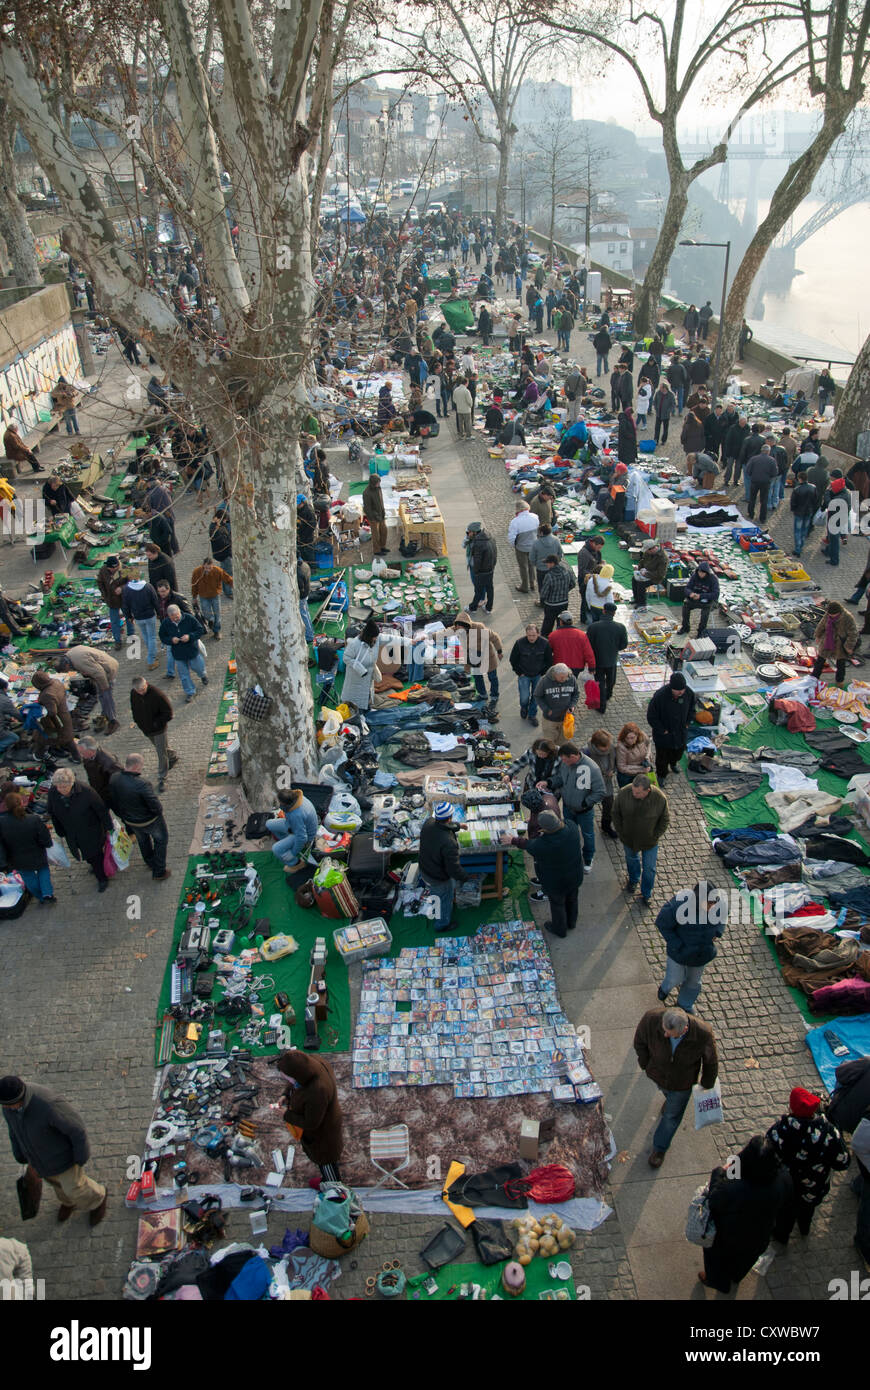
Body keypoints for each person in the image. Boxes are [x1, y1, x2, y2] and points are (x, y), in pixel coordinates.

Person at [0, 1075, 107, 1225]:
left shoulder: (48, 1104)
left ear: (18, 1099)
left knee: (75, 1187)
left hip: (65, 1158)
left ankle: (97, 1199)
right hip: (40, 1160)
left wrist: (81, 1156)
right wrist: (19, 1154)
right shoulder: (9, 1107)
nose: (4, 1108)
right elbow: (14, 1131)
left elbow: (77, 1130)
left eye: (8, 1105)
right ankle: (69, 1202)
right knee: (58, 1186)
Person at [700, 1137, 792, 1293]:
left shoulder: (733, 1188)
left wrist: (719, 1173)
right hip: (759, 1236)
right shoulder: (783, 1179)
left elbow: (714, 1200)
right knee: (745, 1261)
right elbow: (786, 1206)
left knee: (717, 1260)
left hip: (729, 1236)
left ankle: (718, 1282)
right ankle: (736, 1277)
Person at [633, 1005, 719, 1167]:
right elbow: (639, 1042)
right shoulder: (651, 1019)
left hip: (682, 1083)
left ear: (684, 1029)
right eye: (664, 1031)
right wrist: (646, 1064)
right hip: (658, 1074)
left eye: (670, 1034)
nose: (665, 1035)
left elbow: (711, 1061)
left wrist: (707, 1085)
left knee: (672, 1116)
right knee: (668, 1097)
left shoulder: (702, 1033)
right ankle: (669, 1100)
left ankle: (659, 1148)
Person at [766, 1087, 850, 1245]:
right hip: (813, 1188)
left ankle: (782, 1236)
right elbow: (843, 1162)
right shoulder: (829, 1133)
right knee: (807, 1210)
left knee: (785, 1214)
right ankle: (804, 1228)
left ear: (791, 1107)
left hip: (786, 1187)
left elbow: (768, 1157)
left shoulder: (781, 1130)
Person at [502, 810, 583, 938]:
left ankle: (559, 929)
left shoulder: (544, 844)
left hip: (556, 882)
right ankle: (571, 922)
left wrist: (513, 840)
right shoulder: (572, 828)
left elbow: (528, 844)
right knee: (572, 899)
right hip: (574, 875)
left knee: (557, 905)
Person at [655, 880, 725, 1012]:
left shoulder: (716, 904)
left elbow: (723, 916)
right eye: (709, 904)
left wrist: (718, 931)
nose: (712, 907)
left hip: (701, 953)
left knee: (693, 982)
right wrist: (677, 944)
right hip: (680, 953)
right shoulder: (679, 905)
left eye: (713, 903)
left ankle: (684, 1004)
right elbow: (662, 923)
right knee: (674, 978)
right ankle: (666, 988)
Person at [277, 1052, 343, 1184]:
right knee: (325, 1158)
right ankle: (328, 1180)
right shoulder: (313, 1063)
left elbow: (311, 1123)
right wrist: (286, 1094)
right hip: (326, 1121)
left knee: (326, 1161)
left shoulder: (318, 1091)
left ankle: (332, 1186)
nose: (289, 1081)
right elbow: (296, 1080)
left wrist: (286, 1115)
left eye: (289, 1078)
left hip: (324, 1136)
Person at [46, 768, 112, 892]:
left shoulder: (87, 791)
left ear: (72, 783)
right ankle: (95, 865)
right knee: (86, 853)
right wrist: (59, 829)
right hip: (71, 832)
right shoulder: (53, 792)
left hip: (90, 831)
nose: (61, 790)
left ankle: (102, 878)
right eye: (59, 787)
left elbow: (101, 810)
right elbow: (52, 811)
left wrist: (110, 828)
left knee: (95, 854)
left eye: (64, 787)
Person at [109, 753, 170, 881]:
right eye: (141, 766)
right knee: (161, 840)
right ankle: (159, 871)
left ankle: (149, 861)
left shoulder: (114, 778)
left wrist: (124, 816)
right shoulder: (141, 784)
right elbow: (155, 805)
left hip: (131, 821)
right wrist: (156, 813)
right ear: (136, 767)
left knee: (143, 840)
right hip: (149, 820)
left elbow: (113, 801)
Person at [612, 774, 670, 907]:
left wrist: (655, 835)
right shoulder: (624, 793)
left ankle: (646, 893)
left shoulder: (659, 798)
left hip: (650, 842)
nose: (634, 794)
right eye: (633, 790)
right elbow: (615, 813)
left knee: (649, 869)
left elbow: (665, 819)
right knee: (631, 861)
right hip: (629, 838)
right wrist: (621, 832)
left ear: (647, 791)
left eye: (637, 792)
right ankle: (633, 880)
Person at [548, 741, 606, 871]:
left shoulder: (591, 768)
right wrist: (549, 782)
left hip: (584, 811)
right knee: (569, 833)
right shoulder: (565, 763)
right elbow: (561, 778)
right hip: (568, 808)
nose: (563, 762)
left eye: (565, 760)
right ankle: (571, 855)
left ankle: (588, 858)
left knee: (588, 835)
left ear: (573, 756)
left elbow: (600, 791)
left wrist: (585, 803)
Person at [418, 801, 470, 932]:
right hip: (437, 876)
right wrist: (465, 877)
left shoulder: (429, 822)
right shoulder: (448, 842)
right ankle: (442, 924)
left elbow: (444, 825)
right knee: (445, 899)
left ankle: (436, 908)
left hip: (425, 869)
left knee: (437, 894)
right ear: (449, 818)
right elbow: (453, 869)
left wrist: (459, 826)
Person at [0, 791, 55, 904]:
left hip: (17, 857)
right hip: (37, 852)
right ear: (21, 803)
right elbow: (44, 837)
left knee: (28, 876)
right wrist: (47, 844)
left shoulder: (2, 823)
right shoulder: (33, 819)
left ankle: (40, 896)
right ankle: (47, 893)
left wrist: (4, 861)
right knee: (43, 870)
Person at [55, 646, 119, 734]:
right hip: (102, 669)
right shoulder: (69, 656)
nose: (67, 672)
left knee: (107, 697)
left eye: (65, 670)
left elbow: (99, 672)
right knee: (101, 695)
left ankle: (113, 721)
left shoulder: (79, 661)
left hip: (107, 671)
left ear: (66, 665)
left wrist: (105, 686)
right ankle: (105, 715)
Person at [646, 672, 696, 781]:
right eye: (678, 690)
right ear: (672, 688)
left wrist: (688, 722)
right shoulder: (660, 696)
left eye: (682, 690)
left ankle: (673, 763)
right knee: (662, 758)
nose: (681, 692)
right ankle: (661, 775)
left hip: (680, 733)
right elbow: (651, 716)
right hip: (664, 736)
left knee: (678, 752)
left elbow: (692, 709)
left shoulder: (688, 693)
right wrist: (662, 730)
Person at [130, 677, 176, 792]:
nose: (141, 692)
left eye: (143, 689)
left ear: (146, 684)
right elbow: (134, 708)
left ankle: (162, 778)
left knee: (161, 753)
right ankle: (173, 756)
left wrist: (157, 723)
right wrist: (137, 721)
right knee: (161, 748)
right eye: (139, 691)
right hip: (146, 729)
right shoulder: (134, 694)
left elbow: (168, 713)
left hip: (159, 729)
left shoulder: (157, 695)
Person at [585, 602, 628, 717]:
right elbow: (624, 645)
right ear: (614, 613)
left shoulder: (593, 627)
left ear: (603, 611)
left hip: (597, 660)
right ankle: (609, 693)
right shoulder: (620, 627)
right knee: (611, 680)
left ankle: (601, 705)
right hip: (612, 659)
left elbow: (588, 645)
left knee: (599, 683)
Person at [158, 604, 208, 702]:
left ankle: (203, 675)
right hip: (178, 654)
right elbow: (162, 637)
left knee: (198, 667)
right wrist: (171, 640)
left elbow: (200, 630)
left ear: (180, 612)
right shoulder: (165, 623)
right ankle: (190, 692)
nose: (176, 619)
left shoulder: (189, 618)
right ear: (169, 616)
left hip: (192, 651)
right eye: (173, 618)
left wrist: (190, 636)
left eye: (177, 616)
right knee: (184, 675)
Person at [30, 671, 81, 763]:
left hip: (55, 722)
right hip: (64, 716)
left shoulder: (47, 694)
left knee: (42, 738)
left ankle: (39, 755)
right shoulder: (56, 682)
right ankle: (77, 758)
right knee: (68, 738)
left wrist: (41, 713)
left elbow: (52, 712)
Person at [265, 788, 318, 872]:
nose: (278, 803)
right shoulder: (297, 798)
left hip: (305, 836)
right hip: (293, 826)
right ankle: (286, 842)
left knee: (276, 849)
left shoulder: (296, 814)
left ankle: (296, 864)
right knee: (268, 824)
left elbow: (302, 838)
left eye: (280, 801)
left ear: (285, 803)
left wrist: (293, 853)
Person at [509, 622, 552, 725]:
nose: (531, 638)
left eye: (533, 635)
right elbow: (513, 659)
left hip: (538, 675)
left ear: (538, 634)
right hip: (524, 675)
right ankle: (524, 707)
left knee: (536, 696)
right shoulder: (519, 643)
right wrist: (519, 672)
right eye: (529, 635)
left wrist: (543, 672)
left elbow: (549, 660)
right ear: (526, 634)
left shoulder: (545, 643)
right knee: (524, 697)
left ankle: (532, 715)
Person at [584, 728, 618, 842]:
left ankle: (606, 826)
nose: (607, 749)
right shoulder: (586, 752)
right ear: (596, 745)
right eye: (604, 747)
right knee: (587, 805)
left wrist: (613, 770)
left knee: (609, 806)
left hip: (607, 784)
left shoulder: (612, 748)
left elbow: (616, 762)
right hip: (591, 786)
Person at [812, 601, 857, 687]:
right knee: (820, 661)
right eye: (829, 614)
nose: (831, 616)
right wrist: (818, 635)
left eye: (833, 615)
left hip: (840, 644)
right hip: (827, 640)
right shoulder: (828, 614)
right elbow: (821, 624)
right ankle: (814, 678)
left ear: (839, 612)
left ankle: (839, 681)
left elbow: (853, 633)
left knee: (841, 664)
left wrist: (849, 646)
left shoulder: (848, 618)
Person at [122, 573, 161, 669]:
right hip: (149, 615)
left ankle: (152, 654)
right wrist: (159, 613)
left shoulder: (126, 589)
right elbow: (155, 600)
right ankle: (151, 659)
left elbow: (125, 605)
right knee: (152, 637)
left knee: (145, 636)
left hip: (138, 617)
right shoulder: (148, 586)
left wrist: (129, 617)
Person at [533, 664, 579, 747]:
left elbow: (576, 694)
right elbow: (537, 696)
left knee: (563, 743)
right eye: (561, 677)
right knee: (549, 744)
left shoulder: (571, 679)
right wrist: (546, 709)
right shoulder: (544, 681)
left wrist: (572, 705)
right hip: (550, 720)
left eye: (565, 677)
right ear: (554, 675)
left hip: (566, 719)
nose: (564, 679)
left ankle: (560, 758)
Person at [342, 619, 381, 711]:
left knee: (366, 693)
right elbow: (346, 658)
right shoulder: (354, 644)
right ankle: (355, 710)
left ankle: (365, 708)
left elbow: (392, 638)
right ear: (369, 635)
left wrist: (409, 641)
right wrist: (360, 669)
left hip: (368, 676)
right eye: (374, 637)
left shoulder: (376, 639)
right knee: (353, 698)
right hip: (355, 676)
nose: (376, 639)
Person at [191, 556, 232, 640]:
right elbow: (194, 585)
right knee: (206, 613)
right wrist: (194, 597)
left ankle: (216, 631)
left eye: (210, 568)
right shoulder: (197, 572)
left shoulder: (218, 571)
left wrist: (234, 585)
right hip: (203, 596)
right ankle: (211, 620)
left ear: (212, 566)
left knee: (217, 614)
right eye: (206, 568)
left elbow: (227, 578)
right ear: (203, 565)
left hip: (215, 595)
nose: (208, 570)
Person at [678, 560, 720, 637]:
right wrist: (690, 593)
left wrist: (701, 596)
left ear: (707, 573)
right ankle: (685, 627)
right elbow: (687, 588)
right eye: (699, 572)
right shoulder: (695, 576)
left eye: (703, 573)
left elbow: (715, 594)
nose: (700, 574)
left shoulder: (713, 579)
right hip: (695, 598)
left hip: (708, 601)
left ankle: (701, 631)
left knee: (705, 613)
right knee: (685, 606)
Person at [539, 554, 577, 636]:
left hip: (551, 605)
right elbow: (573, 584)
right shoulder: (566, 571)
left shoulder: (549, 576)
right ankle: (560, 637)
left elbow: (544, 593)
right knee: (561, 623)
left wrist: (543, 601)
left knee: (548, 624)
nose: (546, 565)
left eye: (548, 563)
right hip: (564, 603)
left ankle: (545, 638)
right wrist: (565, 590)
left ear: (552, 563)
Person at [76, 736, 122, 805]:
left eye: (82, 752)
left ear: (90, 751)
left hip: (111, 796)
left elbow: (119, 780)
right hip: (99, 792)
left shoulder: (109, 762)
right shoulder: (87, 758)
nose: (81, 755)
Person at [548, 611, 594, 678]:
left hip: (559, 666)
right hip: (577, 666)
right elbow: (588, 652)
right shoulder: (581, 635)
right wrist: (592, 666)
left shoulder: (553, 635)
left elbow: (548, 652)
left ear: (561, 622)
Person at [466, 521, 498, 614]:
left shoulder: (478, 543)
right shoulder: (489, 537)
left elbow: (478, 560)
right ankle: (489, 608)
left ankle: (473, 608)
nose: (468, 534)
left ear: (475, 532)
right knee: (489, 588)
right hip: (490, 568)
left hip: (482, 571)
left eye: (469, 532)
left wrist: (476, 571)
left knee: (478, 590)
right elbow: (495, 552)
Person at [507, 500, 539, 594]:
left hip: (521, 547)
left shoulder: (515, 521)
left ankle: (525, 586)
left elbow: (512, 537)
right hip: (532, 546)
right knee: (531, 564)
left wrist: (514, 545)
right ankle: (532, 582)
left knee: (523, 566)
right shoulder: (535, 517)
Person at [575, 535, 604, 623]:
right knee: (585, 599)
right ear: (593, 543)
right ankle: (584, 618)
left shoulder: (596, 551)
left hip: (594, 579)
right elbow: (582, 570)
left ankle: (589, 616)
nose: (599, 550)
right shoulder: (584, 553)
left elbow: (598, 562)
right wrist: (591, 575)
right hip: (585, 581)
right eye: (598, 547)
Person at [745, 442, 777, 523]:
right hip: (765, 482)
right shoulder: (772, 460)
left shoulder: (754, 459)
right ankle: (762, 518)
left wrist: (752, 475)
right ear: (768, 451)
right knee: (764, 500)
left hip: (755, 481)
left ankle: (751, 513)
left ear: (761, 450)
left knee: (752, 498)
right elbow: (774, 473)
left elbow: (748, 470)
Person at [631, 539, 668, 607]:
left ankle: (642, 603)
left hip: (655, 577)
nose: (646, 552)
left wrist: (647, 574)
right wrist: (638, 568)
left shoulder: (663, 558)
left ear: (652, 549)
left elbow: (660, 574)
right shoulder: (647, 553)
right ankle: (636, 599)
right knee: (634, 579)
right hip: (645, 572)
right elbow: (642, 561)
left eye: (647, 550)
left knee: (641, 584)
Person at [615, 722, 652, 788]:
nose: (629, 741)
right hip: (627, 777)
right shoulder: (621, 746)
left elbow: (648, 744)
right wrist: (641, 769)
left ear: (637, 735)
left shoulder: (642, 736)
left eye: (632, 738)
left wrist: (647, 757)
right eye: (627, 738)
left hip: (643, 770)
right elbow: (621, 767)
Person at [790, 471, 818, 558]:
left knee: (797, 531)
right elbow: (816, 500)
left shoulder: (797, 489)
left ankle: (797, 549)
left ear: (800, 479)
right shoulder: (813, 488)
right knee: (804, 530)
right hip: (808, 512)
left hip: (799, 512)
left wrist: (793, 509)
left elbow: (793, 502)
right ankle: (801, 546)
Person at [209, 507, 233, 597]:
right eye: (224, 519)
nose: (225, 521)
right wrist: (230, 542)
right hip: (224, 553)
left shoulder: (217, 525)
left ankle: (226, 590)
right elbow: (222, 542)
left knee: (225, 571)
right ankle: (228, 592)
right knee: (228, 572)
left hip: (223, 553)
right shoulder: (215, 529)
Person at [362, 473, 388, 556]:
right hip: (373, 518)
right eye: (377, 482)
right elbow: (368, 509)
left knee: (384, 531)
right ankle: (377, 550)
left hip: (381, 514)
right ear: (373, 483)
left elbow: (381, 501)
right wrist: (375, 517)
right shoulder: (366, 493)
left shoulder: (378, 488)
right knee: (375, 535)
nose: (379, 484)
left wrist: (383, 511)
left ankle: (382, 546)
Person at [722, 414, 750, 487]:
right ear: (739, 421)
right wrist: (727, 451)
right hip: (732, 450)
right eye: (742, 423)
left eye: (744, 423)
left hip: (741, 451)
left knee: (738, 467)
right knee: (729, 466)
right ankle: (726, 480)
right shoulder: (733, 428)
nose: (743, 424)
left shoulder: (747, 428)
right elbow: (728, 440)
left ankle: (736, 480)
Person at [296, 493, 317, 566]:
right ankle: (305, 565)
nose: (297, 506)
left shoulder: (308, 511)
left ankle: (313, 567)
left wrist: (304, 535)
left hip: (307, 535)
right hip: (301, 534)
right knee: (301, 551)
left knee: (309, 550)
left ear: (302, 502)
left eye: (298, 504)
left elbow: (312, 525)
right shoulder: (299, 510)